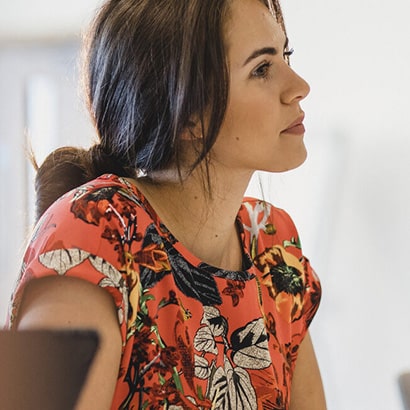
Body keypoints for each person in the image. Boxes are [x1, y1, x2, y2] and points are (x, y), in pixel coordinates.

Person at [7, 0, 326, 408]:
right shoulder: (96, 231)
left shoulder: (273, 247)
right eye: (261, 68)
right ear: (189, 111)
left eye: (285, 55)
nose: (299, 85)